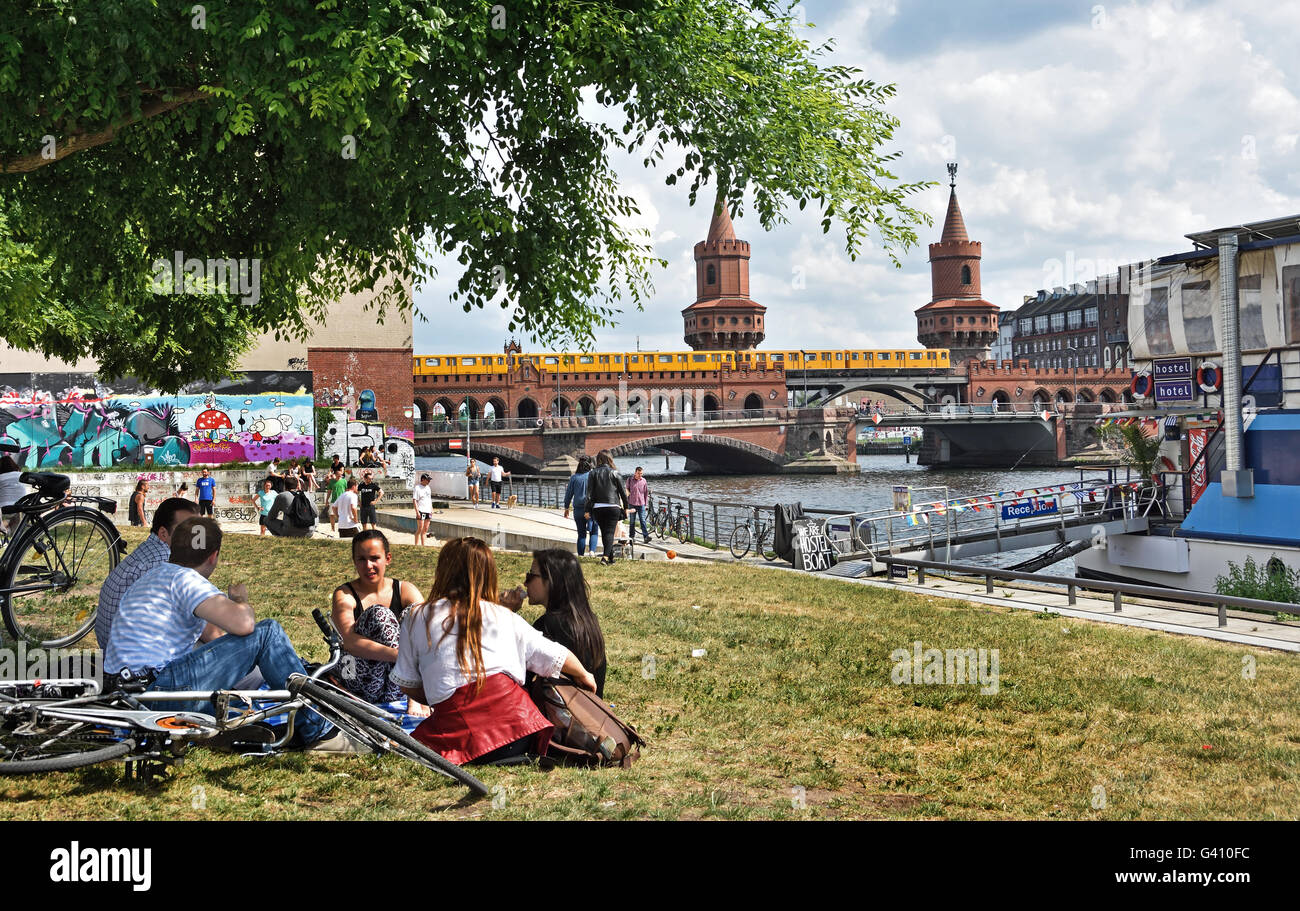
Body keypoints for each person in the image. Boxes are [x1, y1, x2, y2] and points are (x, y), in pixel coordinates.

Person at [104, 517, 347, 751]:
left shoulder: (152, 578)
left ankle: (221, 727)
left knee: (232, 687)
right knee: (268, 632)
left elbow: (215, 641)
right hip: (159, 693)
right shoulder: (186, 579)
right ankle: (320, 733)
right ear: (213, 556)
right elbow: (243, 625)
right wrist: (241, 601)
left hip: (130, 695)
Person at [392, 537, 597, 765]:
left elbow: (407, 682)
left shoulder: (417, 616)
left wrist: (439, 697)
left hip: (458, 739)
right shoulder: (505, 617)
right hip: (517, 734)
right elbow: (554, 656)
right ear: (488, 574)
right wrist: (584, 675)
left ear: (443, 570)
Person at [331, 530, 428, 714]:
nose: (368, 566)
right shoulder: (344, 594)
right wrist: (400, 656)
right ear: (354, 561)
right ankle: (414, 694)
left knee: (415, 614)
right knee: (379, 614)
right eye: (361, 559)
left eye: (375, 558)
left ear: (388, 558)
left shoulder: (406, 589)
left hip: (395, 686)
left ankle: (415, 692)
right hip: (354, 679)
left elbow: (429, 632)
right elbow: (349, 643)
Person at [502, 549, 607, 698]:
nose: (525, 583)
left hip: (556, 719)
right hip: (589, 715)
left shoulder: (548, 625)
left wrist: (505, 612)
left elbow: (512, 674)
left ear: (551, 580)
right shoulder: (590, 620)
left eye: (531, 575)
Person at [95, 496, 197, 647]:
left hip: (112, 650)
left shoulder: (149, 550)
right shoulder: (166, 563)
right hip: (137, 662)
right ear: (163, 533)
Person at [583, 450, 628, 566]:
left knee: (605, 533)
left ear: (598, 460)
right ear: (610, 459)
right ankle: (605, 557)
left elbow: (589, 494)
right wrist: (626, 508)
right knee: (609, 533)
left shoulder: (593, 473)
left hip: (598, 507)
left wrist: (587, 510)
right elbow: (623, 493)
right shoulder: (615, 473)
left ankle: (611, 559)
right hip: (613, 506)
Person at [562, 456, 599, 556]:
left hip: (578, 510)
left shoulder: (574, 477)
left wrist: (566, 508)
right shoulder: (593, 475)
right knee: (594, 532)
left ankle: (581, 555)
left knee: (581, 534)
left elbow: (568, 494)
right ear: (590, 464)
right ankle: (592, 551)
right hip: (592, 509)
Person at [625, 465, 651, 544]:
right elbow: (626, 491)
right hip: (632, 503)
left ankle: (646, 537)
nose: (640, 475)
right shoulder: (629, 480)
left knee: (642, 520)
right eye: (639, 473)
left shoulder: (644, 481)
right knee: (632, 521)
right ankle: (631, 537)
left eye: (641, 474)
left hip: (641, 503)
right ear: (635, 473)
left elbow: (646, 493)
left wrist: (646, 503)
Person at [1, 454, 25, 532]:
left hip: (3, 510)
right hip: (20, 508)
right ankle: (9, 534)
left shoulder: (1, 477)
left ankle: (4, 532)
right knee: (16, 523)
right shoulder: (21, 475)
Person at [413, 473, 435, 546]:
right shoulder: (417, 488)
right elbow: (415, 500)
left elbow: (429, 499)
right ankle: (416, 545)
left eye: (429, 480)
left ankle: (423, 545)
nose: (429, 481)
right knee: (420, 528)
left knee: (425, 529)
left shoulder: (428, 488)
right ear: (423, 479)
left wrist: (431, 509)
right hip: (421, 510)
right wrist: (417, 512)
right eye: (427, 480)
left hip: (428, 510)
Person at [326, 468, 347, 532]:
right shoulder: (331, 481)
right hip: (334, 501)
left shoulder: (344, 481)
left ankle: (342, 527)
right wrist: (327, 500)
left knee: (342, 515)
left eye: (340, 474)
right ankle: (333, 528)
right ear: (335, 474)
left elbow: (346, 491)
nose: (339, 475)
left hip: (342, 501)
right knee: (331, 515)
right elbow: (329, 491)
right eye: (338, 474)